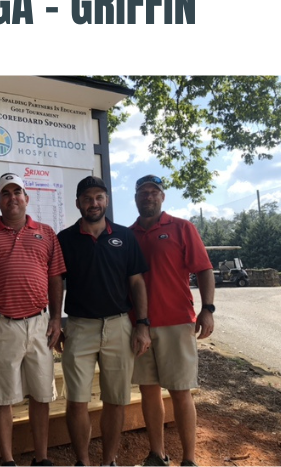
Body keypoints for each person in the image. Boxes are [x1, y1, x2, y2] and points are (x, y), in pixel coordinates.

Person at [0, 173, 65, 467]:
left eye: (17, 192)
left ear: (26, 198)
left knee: (42, 393)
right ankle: (8, 460)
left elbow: (56, 278)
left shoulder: (46, 233)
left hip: (39, 324)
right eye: (5, 193)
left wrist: (57, 319)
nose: (12, 198)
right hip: (0, 324)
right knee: (1, 396)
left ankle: (42, 457)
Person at [58, 175, 151, 467]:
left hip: (119, 326)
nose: (93, 203)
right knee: (77, 400)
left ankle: (109, 461)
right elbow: (55, 284)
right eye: (87, 198)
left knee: (116, 399)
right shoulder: (64, 239)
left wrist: (142, 324)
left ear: (107, 201)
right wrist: (55, 320)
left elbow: (136, 283)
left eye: (99, 197)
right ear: (78, 203)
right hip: (79, 327)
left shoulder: (125, 236)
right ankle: (83, 462)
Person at [129, 175, 214, 467]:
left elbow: (204, 269)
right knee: (148, 391)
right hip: (140, 326)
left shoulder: (182, 228)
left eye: (154, 192)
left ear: (162, 197)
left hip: (177, 322)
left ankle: (189, 459)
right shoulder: (128, 235)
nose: (148, 196)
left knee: (180, 392)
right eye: (143, 192)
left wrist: (208, 309)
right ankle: (157, 454)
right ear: (136, 198)